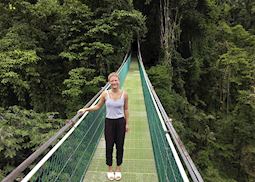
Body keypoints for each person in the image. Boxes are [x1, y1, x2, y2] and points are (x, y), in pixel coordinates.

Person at [78, 72, 129, 181]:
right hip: (109, 122)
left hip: (120, 122)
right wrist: (85, 109)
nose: (114, 82)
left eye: (116, 80)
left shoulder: (124, 94)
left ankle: (118, 168)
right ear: (109, 82)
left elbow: (126, 109)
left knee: (120, 146)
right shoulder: (105, 94)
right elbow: (97, 106)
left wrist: (127, 123)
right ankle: (110, 169)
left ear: (118, 81)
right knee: (109, 146)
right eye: (112, 81)